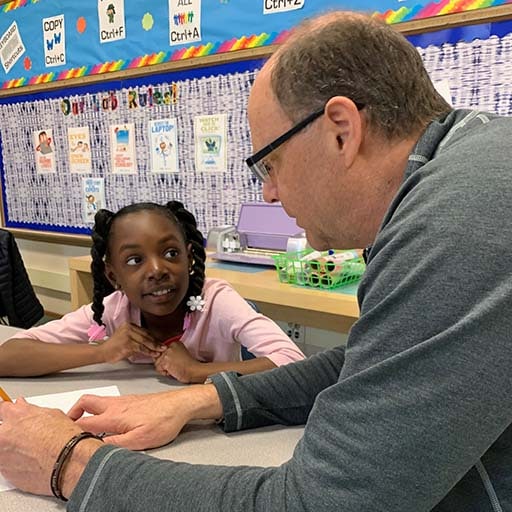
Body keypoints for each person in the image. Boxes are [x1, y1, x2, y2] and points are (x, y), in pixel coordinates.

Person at [1, 10, 512, 511]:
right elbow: (369, 360)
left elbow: (323, 502)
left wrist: (68, 463)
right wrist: (204, 399)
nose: (267, 193)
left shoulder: (459, 217)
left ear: (341, 129)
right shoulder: (466, 169)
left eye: (270, 162)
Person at [0, 201, 304, 381]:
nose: (158, 270)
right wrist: (103, 351)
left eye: (171, 253)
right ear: (113, 276)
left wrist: (198, 371)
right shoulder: (114, 311)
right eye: (135, 260)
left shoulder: (215, 302)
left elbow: (295, 363)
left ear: (190, 259)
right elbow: (8, 356)